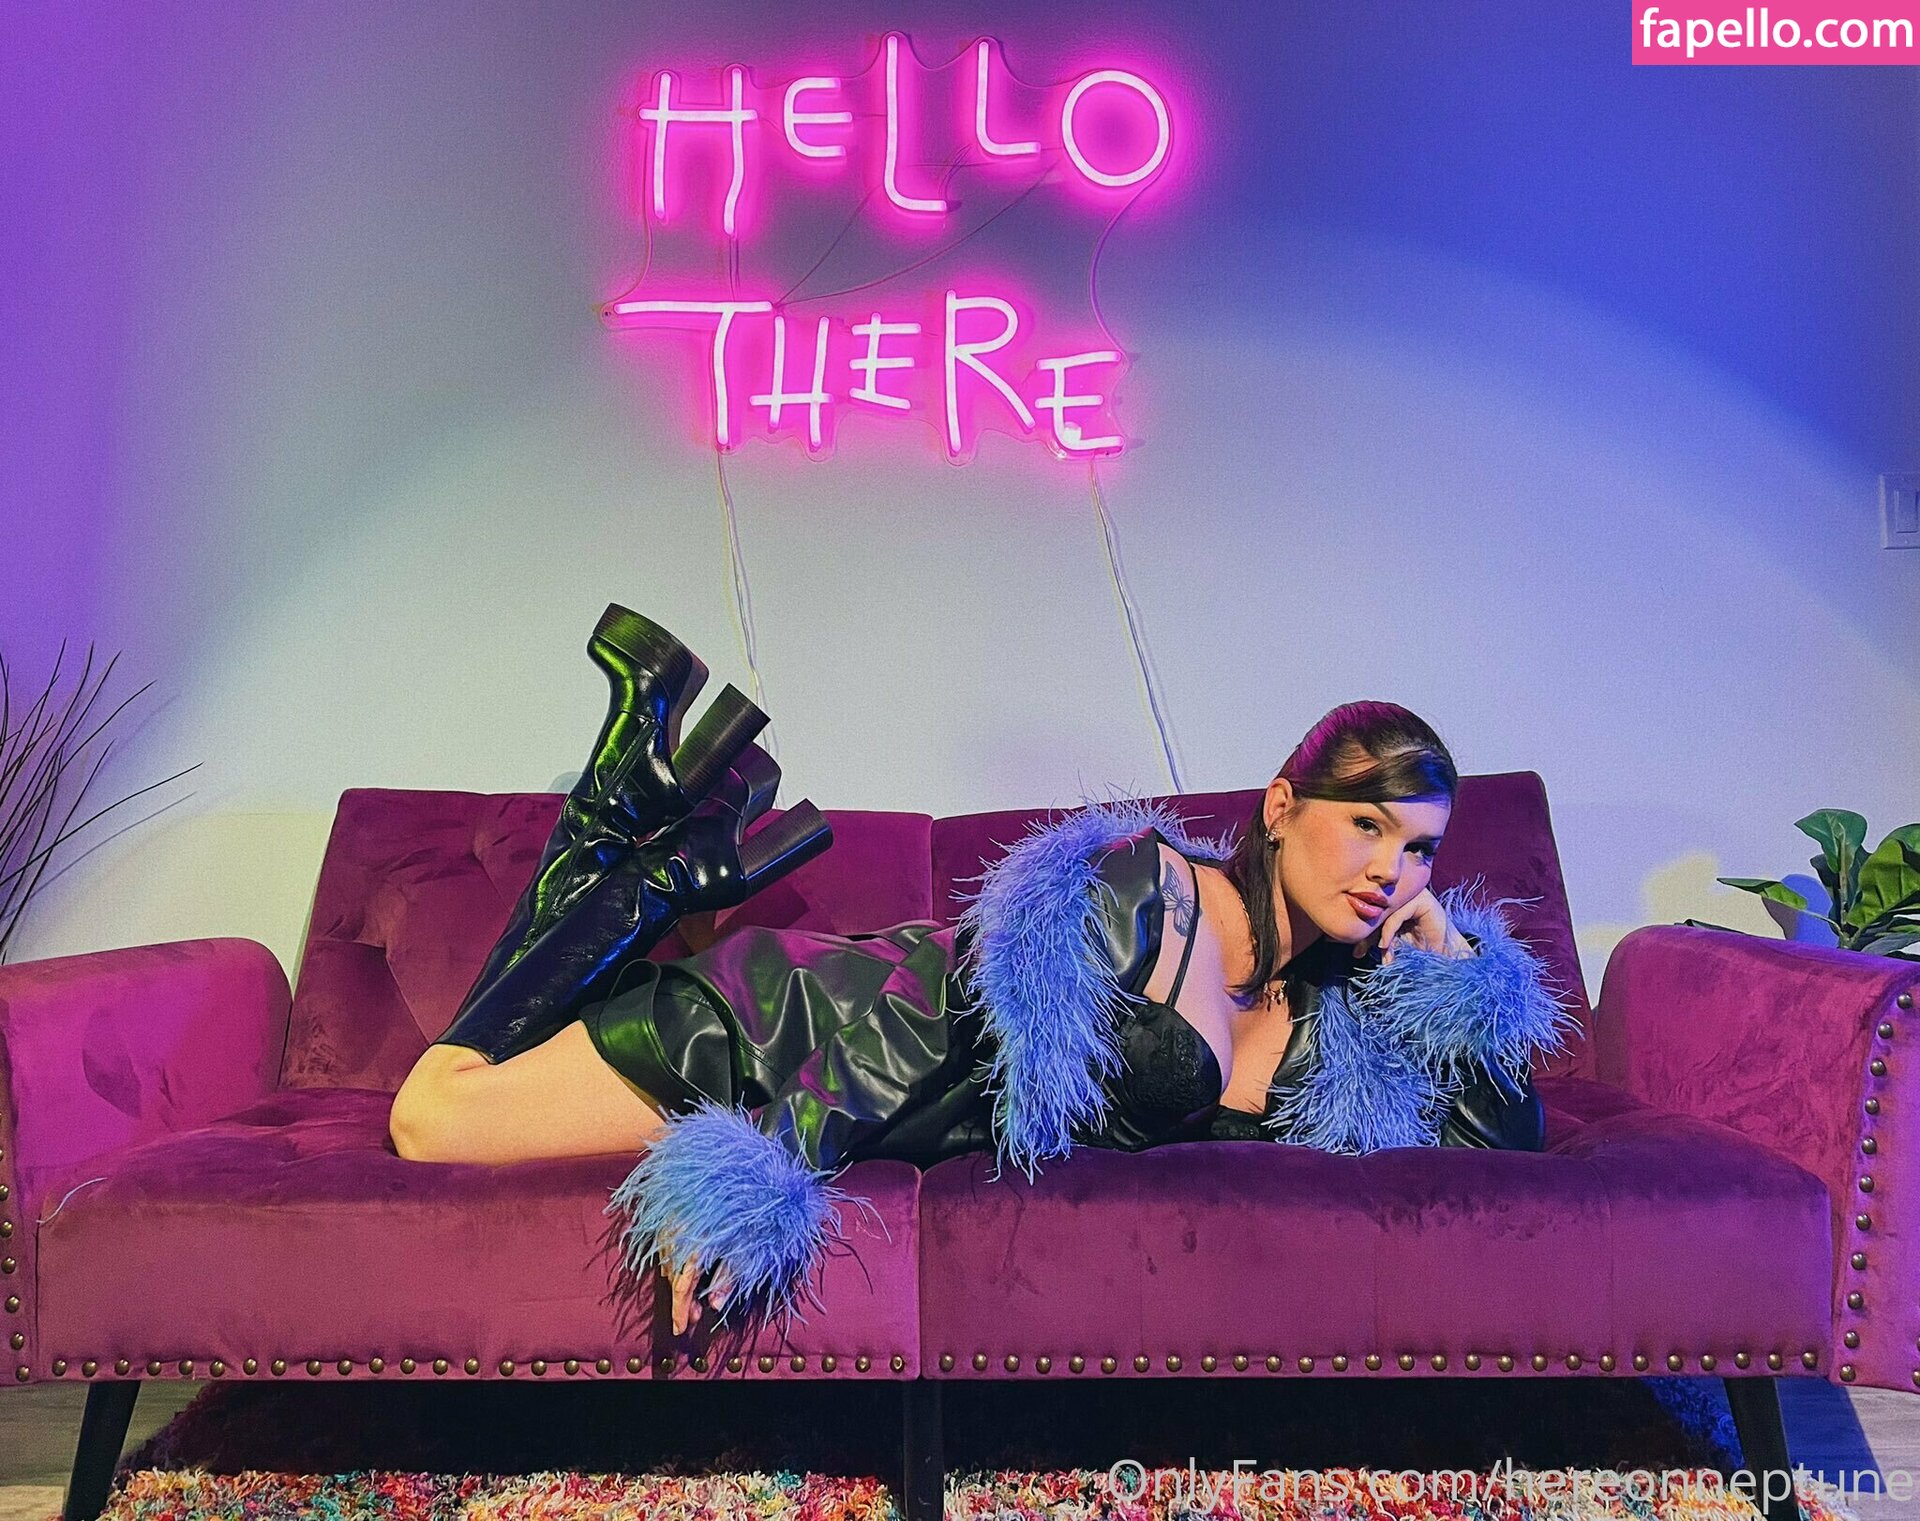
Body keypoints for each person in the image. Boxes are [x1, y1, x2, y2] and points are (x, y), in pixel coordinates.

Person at [389, 605, 1575, 1337]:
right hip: (793, 1032)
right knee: (433, 1114)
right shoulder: (1147, 889)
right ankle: (640, 870)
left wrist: (1462, 978)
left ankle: (656, 845)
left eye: (1419, 848)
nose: (1389, 869)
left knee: (457, 1098)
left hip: (849, 1053)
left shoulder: (1339, 1018)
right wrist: (761, 1171)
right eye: (1365, 825)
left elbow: (1502, 1162)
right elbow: (926, 1027)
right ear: (1280, 807)